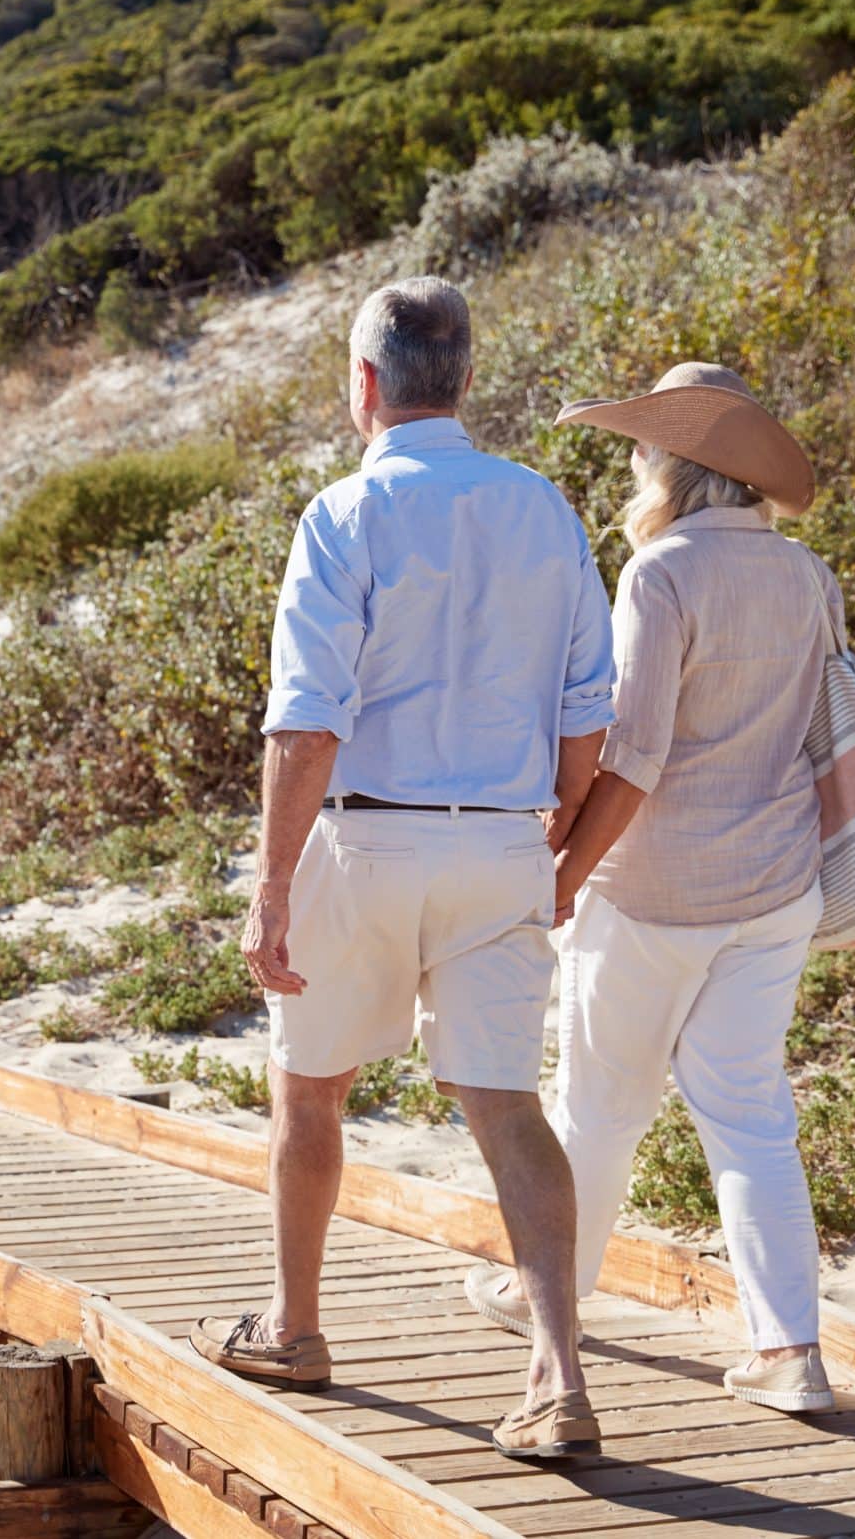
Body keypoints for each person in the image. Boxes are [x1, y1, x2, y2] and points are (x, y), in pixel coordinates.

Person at [189, 277, 619, 1463]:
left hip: (369, 835)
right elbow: (592, 709)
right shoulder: (544, 508)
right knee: (505, 1107)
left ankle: (295, 1327)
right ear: (466, 381)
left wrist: (272, 887)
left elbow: (304, 723)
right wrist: (557, 835)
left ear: (364, 385)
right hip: (503, 840)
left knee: (308, 1087)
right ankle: (557, 1375)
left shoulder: (342, 514)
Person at [463, 361, 844, 1414]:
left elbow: (631, 756)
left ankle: (554, 1296)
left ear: (673, 464)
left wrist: (563, 875)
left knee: (597, 1105)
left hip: (655, 892)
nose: (634, 463)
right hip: (776, 887)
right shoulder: (806, 575)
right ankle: (790, 1353)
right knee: (753, 1115)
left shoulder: (662, 572)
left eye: (641, 448)